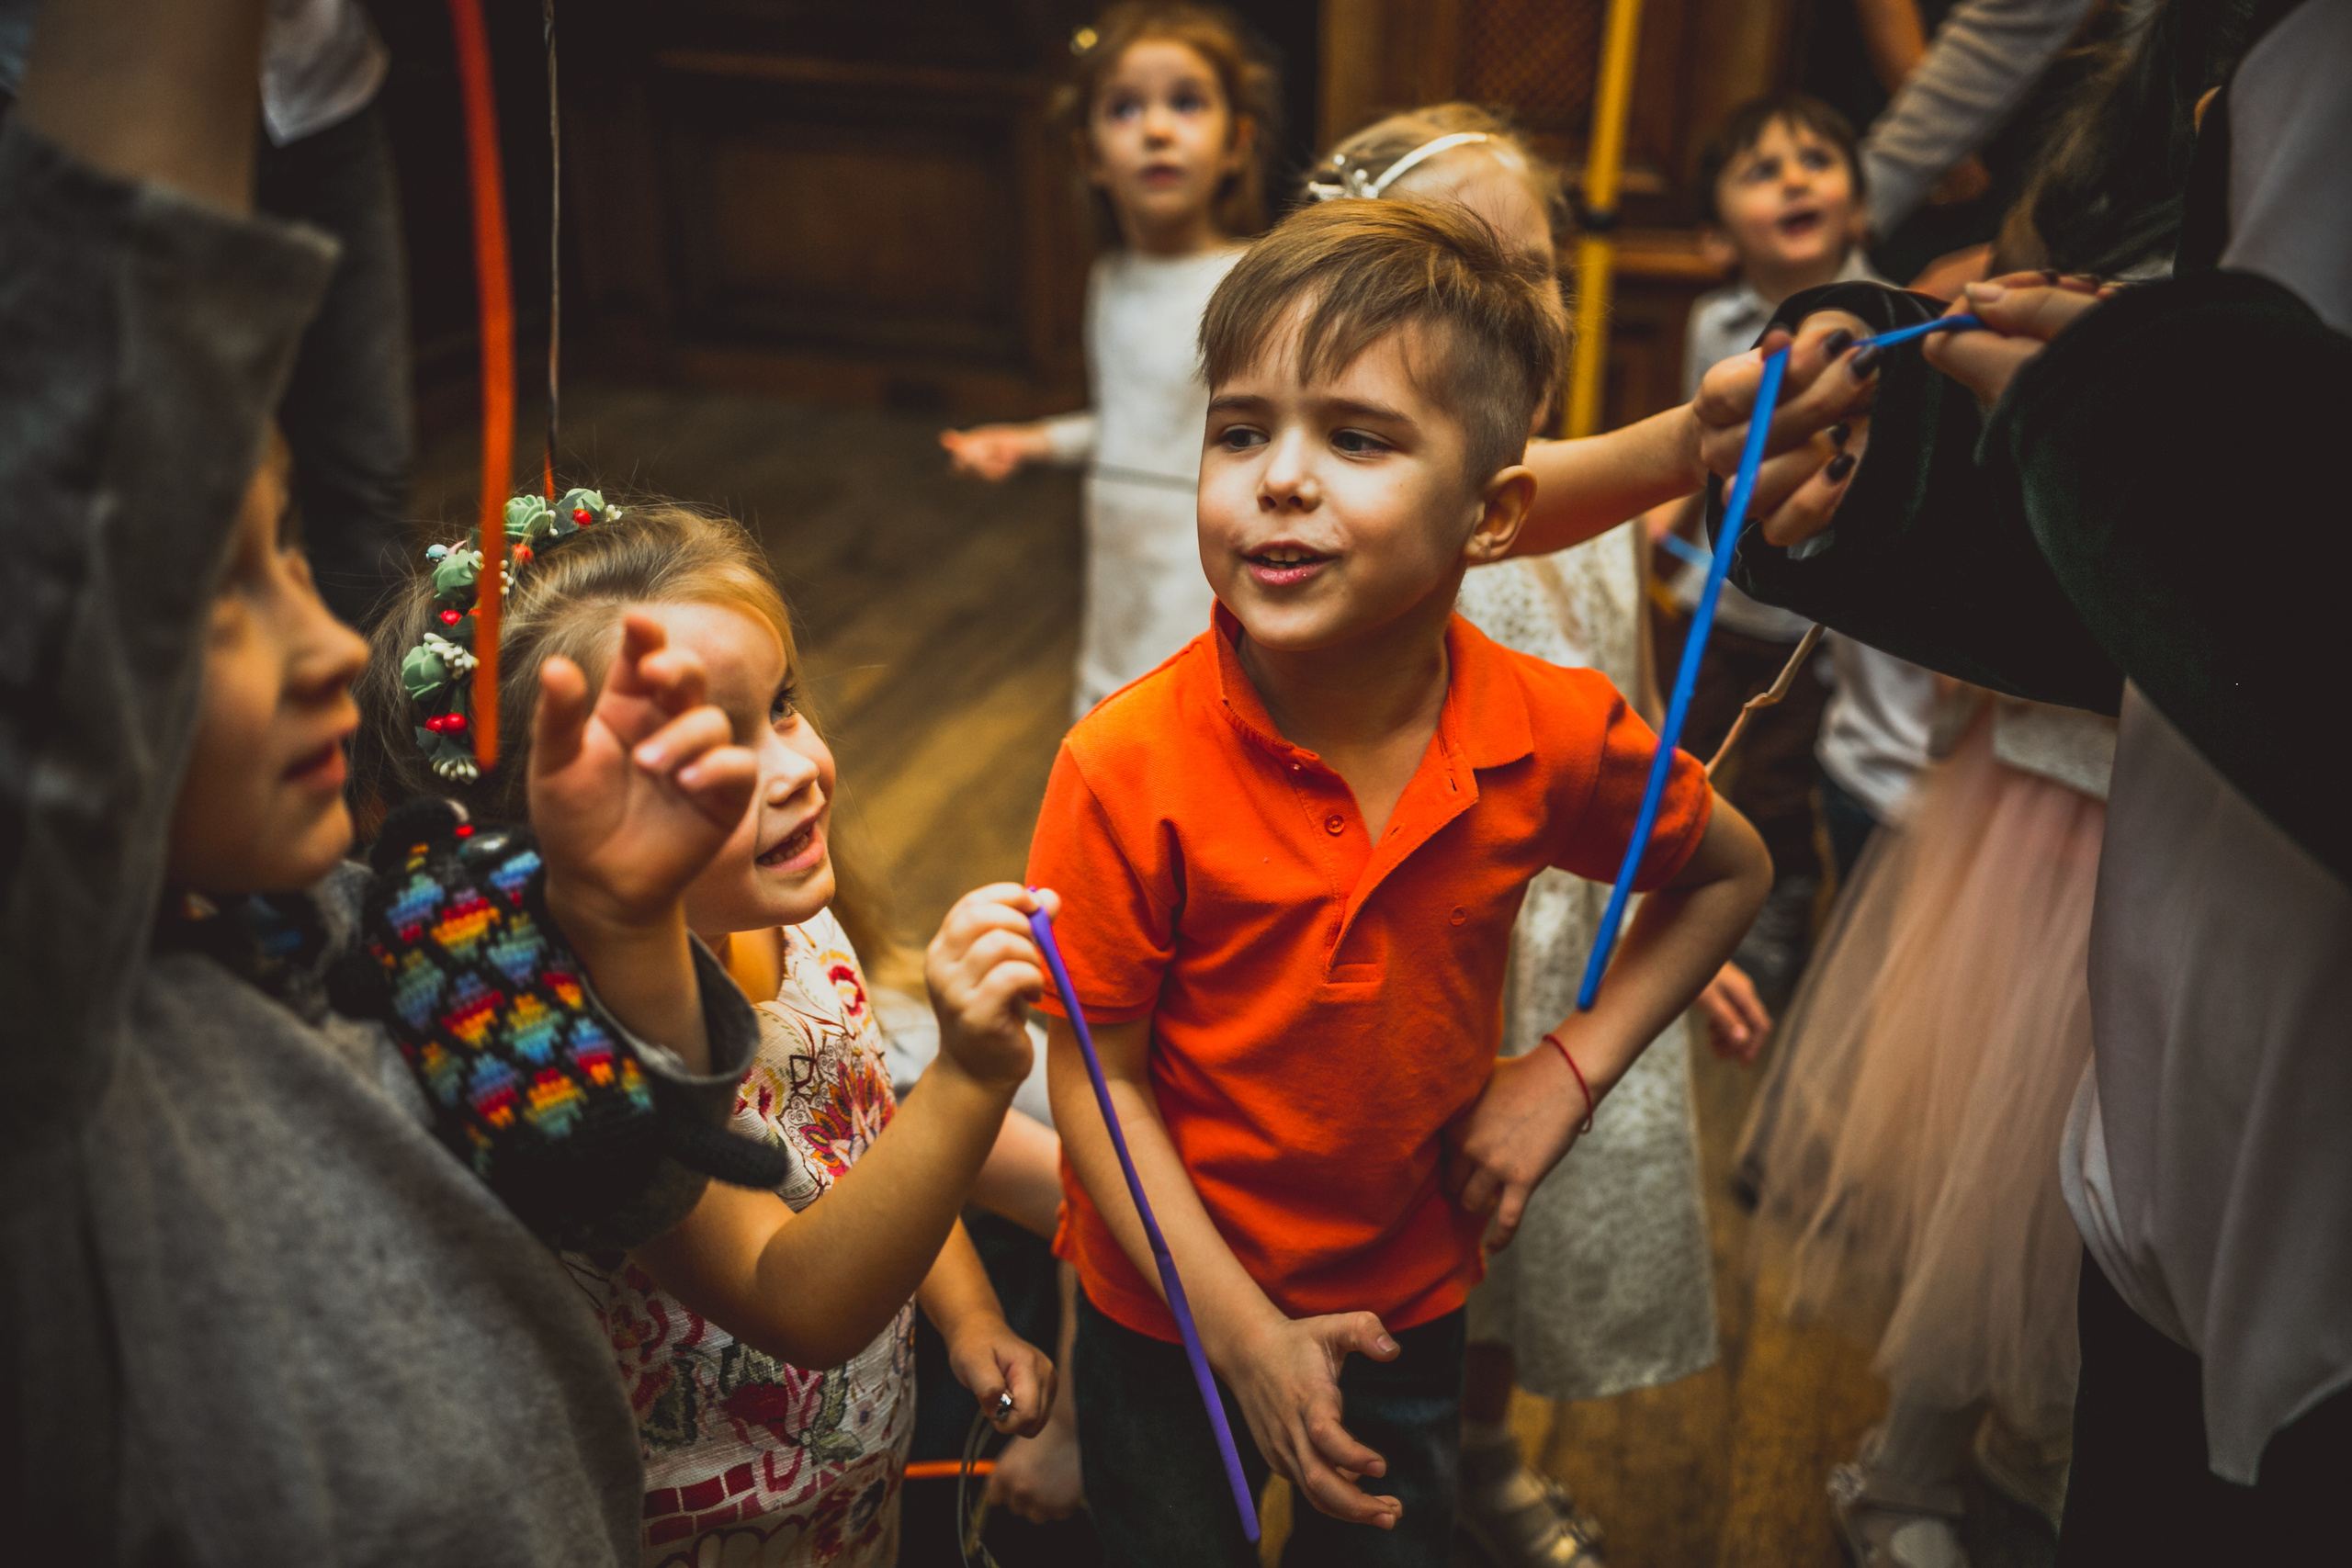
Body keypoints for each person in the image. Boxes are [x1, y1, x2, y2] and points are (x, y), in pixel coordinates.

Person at [0, 2, 778, 1557]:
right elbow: (109, 397)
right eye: (205, 594)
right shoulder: (50, 1042)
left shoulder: (369, 923)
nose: (328, 650)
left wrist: (621, 930)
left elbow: (608, 1197)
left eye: (288, 556)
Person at [1687, 0, 2352, 1554]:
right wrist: (1929, 468)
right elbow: (2214, 588)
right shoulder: (2243, 62)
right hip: (2173, 1123)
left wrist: (2122, 416)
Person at [1023, 198, 1774, 1567]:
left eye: (1356, 437)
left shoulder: (1552, 729)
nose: (1281, 478)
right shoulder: (1122, 763)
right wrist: (1244, 1339)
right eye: (1243, 429)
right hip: (1169, 1309)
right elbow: (1098, 1079)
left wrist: (1569, 1068)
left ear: (1491, 517)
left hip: (1404, 1299)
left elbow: (1732, 869)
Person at [355, 501, 1059, 1565]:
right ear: (543, 827)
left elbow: (858, 1146)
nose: (790, 769)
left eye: (778, 706)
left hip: (849, 1501)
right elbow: (800, 1302)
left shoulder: (795, 920)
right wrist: (968, 1078)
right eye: (696, 760)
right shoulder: (579, 1071)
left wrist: (967, 1315)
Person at [1305, 102, 1771, 1568]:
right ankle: (1376, 1472)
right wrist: (1690, 439)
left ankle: (1487, 1454)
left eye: (1538, 263)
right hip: (1429, 954)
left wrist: (1658, 902)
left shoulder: (1597, 503)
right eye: (1459, 261)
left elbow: (1624, 721)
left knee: (1521, 1249)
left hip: (1569, 945)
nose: (1515, 299)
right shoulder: (1397, 516)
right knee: (1410, 1255)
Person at [1738, 691, 2112, 1567]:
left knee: (2115, 1167)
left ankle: (2034, 1427)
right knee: (2003, 1151)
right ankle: (1906, 1469)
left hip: (2195, 816)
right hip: (2058, 794)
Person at [1652, 93, 1938, 1003]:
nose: (1792, 178)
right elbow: (1697, 446)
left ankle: (1773, 918)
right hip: (1714, 599)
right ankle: (1666, 904)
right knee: (1678, 751)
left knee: (1776, 782)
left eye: (1815, 160)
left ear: (1858, 209)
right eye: (1760, 170)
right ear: (1715, 239)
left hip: (1809, 622)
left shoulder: (1896, 324)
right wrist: (1668, 512)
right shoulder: (1712, 323)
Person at [0, 0, 412, 626]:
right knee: (156, 506)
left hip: (320, 97)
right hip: (119, 118)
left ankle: (376, 714)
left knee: (367, 476)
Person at [940, 1, 1278, 716]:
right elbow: (1134, 422)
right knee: (1116, 714)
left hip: (1203, 560)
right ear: (1090, 156)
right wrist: (1032, 441)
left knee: (1193, 721)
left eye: (1186, 104)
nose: (1157, 129)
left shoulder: (1250, 286)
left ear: (1236, 144)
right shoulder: (1110, 278)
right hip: (1121, 558)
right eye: (1126, 109)